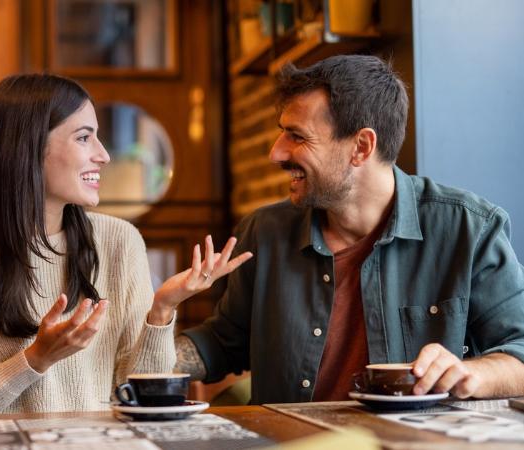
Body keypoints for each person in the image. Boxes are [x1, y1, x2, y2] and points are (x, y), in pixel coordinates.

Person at [162, 55, 524, 404]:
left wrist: (469, 373)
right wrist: (158, 319)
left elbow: (519, 352)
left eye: (297, 136)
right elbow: (224, 343)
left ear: (361, 147)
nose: (276, 153)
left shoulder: (469, 228)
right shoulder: (262, 233)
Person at [0, 74, 251, 415]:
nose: (103, 155)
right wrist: (34, 360)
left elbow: (139, 396)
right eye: (84, 137)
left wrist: (161, 310)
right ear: (27, 146)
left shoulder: (120, 242)